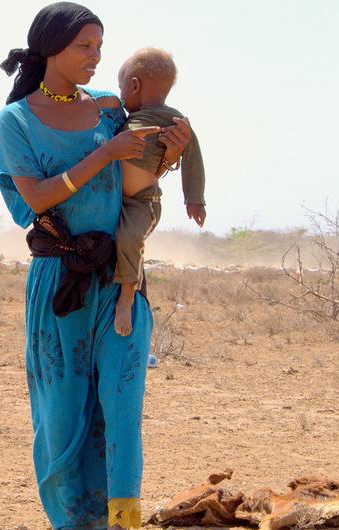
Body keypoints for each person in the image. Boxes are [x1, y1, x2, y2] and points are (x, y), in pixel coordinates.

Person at [0, 3, 191, 528]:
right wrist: (103, 155)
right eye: (84, 46)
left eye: (100, 47)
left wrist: (169, 156)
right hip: (61, 286)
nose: (95, 57)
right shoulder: (15, 120)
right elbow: (36, 199)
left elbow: (134, 184)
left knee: (121, 410)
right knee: (61, 419)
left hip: (120, 280)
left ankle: (123, 519)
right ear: (50, 48)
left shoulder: (110, 111)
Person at [112, 47, 206, 336]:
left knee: (129, 239)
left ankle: (127, 298)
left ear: (135, 85)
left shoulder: (174, 121)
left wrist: (194, 199)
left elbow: (193, 158)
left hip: (142, 203)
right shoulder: (122, 120)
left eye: (121, 86)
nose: (120, 94)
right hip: (116, 201)